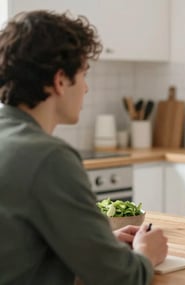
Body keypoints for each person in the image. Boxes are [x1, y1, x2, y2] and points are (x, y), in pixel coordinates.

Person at [0, 10, 167, 285]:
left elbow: (19, 249)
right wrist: (146, 255)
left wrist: (99, 246)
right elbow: (120, 278)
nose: (86, 88)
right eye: (84, 74)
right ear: (60, 80)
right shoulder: (49, 157)